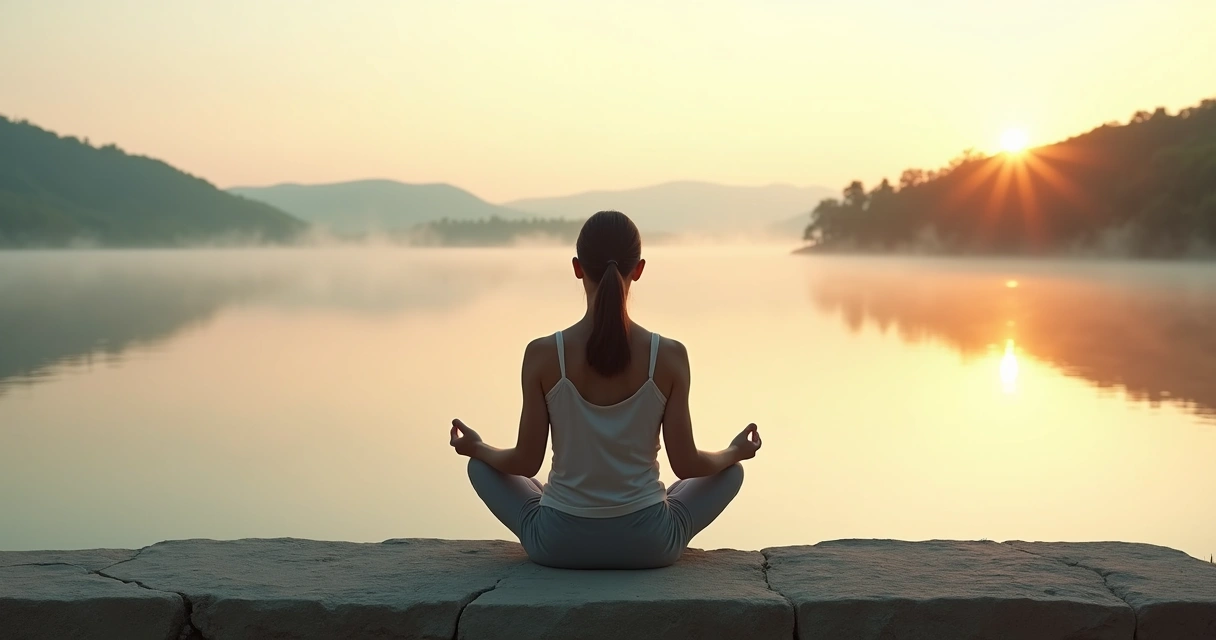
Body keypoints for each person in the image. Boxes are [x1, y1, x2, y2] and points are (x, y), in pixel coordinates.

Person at [448, 210, 762, 569]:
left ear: (578, 267)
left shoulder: (543, 354)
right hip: (649, 545)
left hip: (558, 544)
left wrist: (477, 447)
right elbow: (687, 464)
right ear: (639, 269)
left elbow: (525, 461)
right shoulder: (670, 356)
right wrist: (733, 452)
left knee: (480, 467)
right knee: (730, 473)